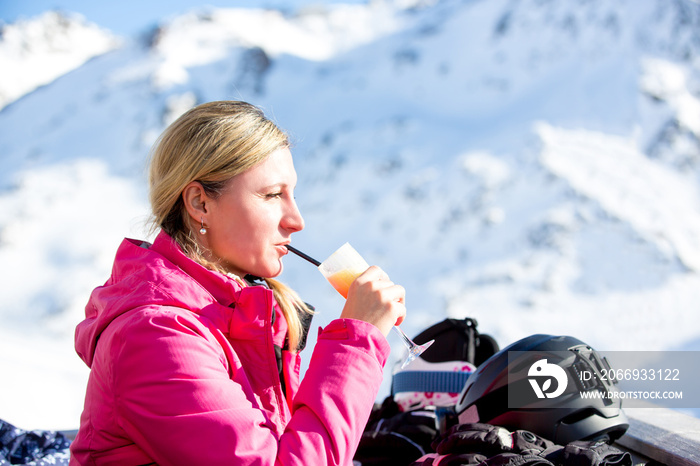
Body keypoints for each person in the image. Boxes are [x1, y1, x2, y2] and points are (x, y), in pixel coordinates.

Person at [69, 101, 407, 465]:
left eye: (293, 194)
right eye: (273, 195)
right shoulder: (155, 336)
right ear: (200, 203)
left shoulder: (240, 317)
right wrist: (357, 340)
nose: (296, 220)